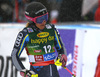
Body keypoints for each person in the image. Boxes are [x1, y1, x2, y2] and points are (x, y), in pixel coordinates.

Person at [11, 2, 67, 77]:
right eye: (40, 19)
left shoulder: (51, 29)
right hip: (36, 73)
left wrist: (62, 55)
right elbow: (14, 55)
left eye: (46, 17)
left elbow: (60, 47)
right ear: (32, 20)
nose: (44, 21)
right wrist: (23, 70)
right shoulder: (26, 34)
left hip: (52, 71)